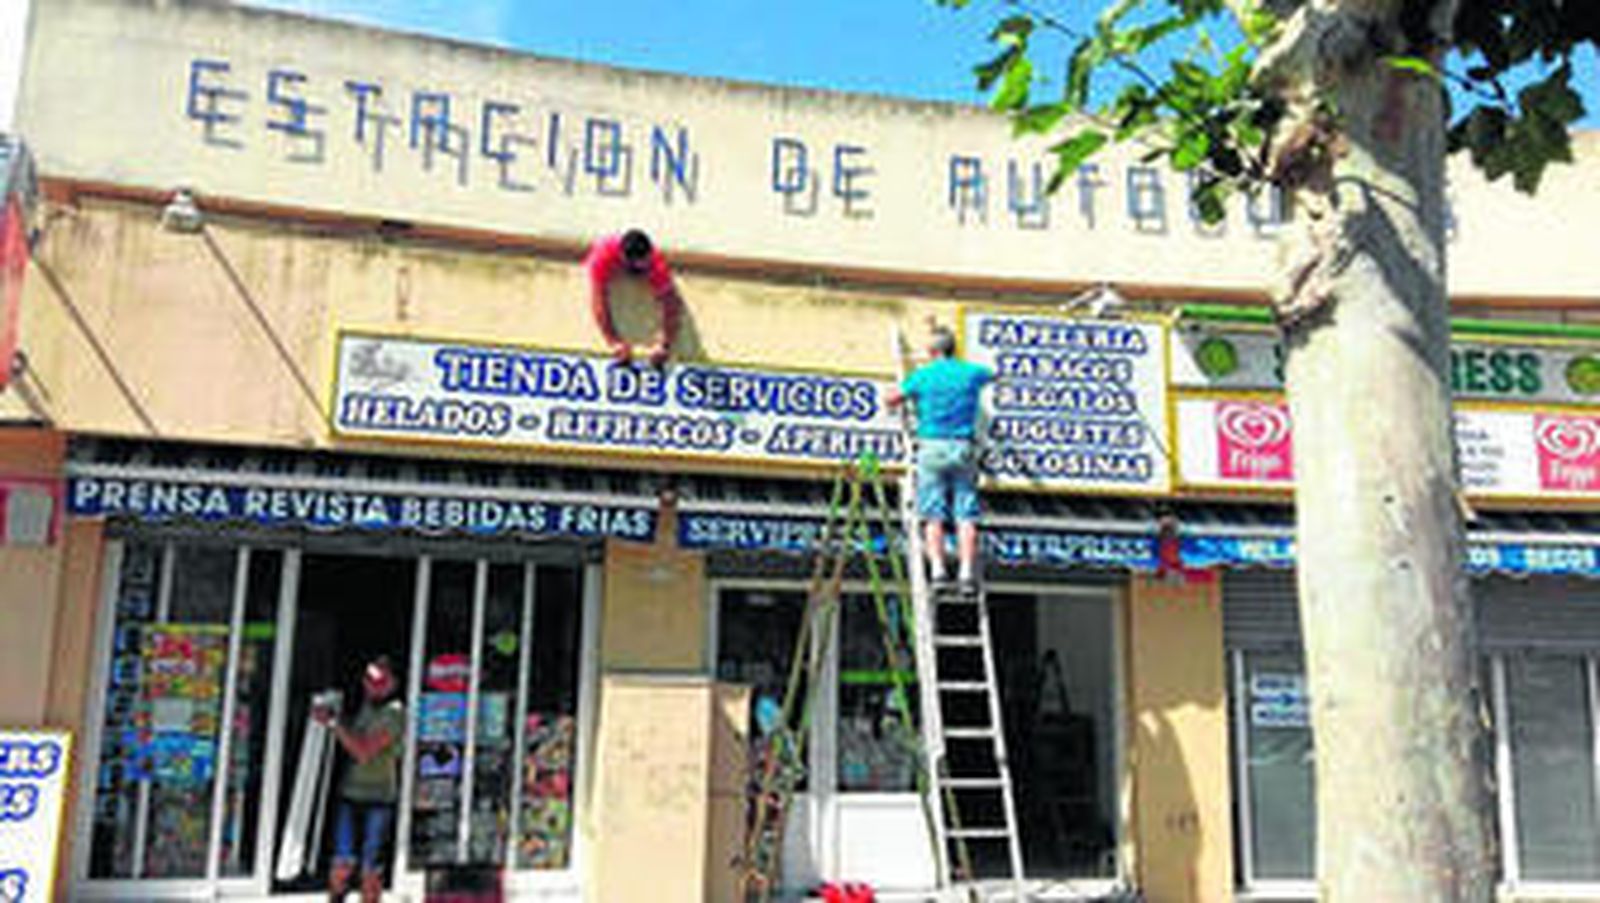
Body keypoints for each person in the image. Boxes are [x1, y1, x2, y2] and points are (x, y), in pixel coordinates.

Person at [888, 325, 994, 596]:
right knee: (966, 514)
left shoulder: (922, 376)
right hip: (962, 447)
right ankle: (967, 573)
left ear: (932, 351)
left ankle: (937, 571)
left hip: (932, 447)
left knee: (933, 514)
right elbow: (994, 375)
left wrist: (895, 395)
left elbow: (893, 398)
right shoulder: (970, 373)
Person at [315, 656, 404, 903]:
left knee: (370, 870)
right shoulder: (365, 707)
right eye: (369, 680)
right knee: (341, 864)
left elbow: (363, 751)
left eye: (380, 682)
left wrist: (334, 724)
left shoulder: (394, 714)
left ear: (393, 684)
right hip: (350, 794)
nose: (372, 686)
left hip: (379, 799)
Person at [585, 228, 684, 367]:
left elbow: (671, 305)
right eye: (637, 267)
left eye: (644, 266)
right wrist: (613, 342)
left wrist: (664, 344)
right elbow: (598, 300)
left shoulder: (656, 263)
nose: (641, 270)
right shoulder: (602, 255)